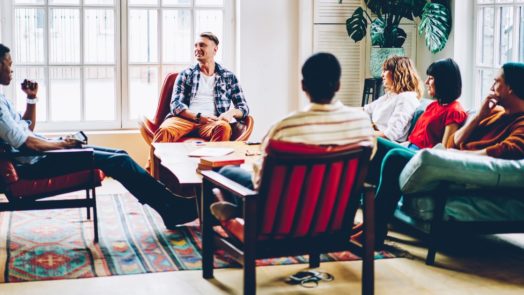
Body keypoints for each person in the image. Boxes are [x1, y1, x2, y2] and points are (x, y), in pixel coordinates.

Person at [0, 43, 196, 229]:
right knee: (119, 161)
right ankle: (170, 208)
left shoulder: (2, 99)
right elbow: (26, 143)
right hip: (34, 165)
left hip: (41, 155)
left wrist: (31, 99)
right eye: (9, 65)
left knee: (120, 154)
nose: (12, 70)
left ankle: (169, 205)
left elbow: (27, 129)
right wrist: (63, 145)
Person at [369, 62, 524, 249]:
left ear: (510, 88)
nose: (491, 87)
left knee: (394, 157)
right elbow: (457, 139)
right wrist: (480, 115)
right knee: (377, 148)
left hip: (457, 166)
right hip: (449, 158)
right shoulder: (494, 113)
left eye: (496, 82)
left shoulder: (520, 122)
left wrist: (463, 156)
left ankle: (373, 233)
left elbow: (511, 149)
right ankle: (365, 225)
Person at [210, 52, 374, 220]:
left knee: (226, 172)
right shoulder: (362, 124)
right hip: (333, 220)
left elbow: (260, 182)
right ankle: (239, 211)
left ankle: (240, 212)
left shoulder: (284, 128)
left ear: (303, 85)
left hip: (282, 220)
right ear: (338, 85)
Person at [153, 32, 249, 143]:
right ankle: (154, 161)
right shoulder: (186, 74)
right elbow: (176, 104)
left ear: (215, 49)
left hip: (213, 121)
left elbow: (243, 107)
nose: (197, 48)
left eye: (202, 45)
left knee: (224, 127)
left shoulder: (229, 77)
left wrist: (231, 113)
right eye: (196, 45)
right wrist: (198, 117)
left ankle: (211, 160)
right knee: (164, 131)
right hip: (184, 119)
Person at [408, 58, 467, 150]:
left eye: (431, 78)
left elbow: (444, 148)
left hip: (421, 155)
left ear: (443, 81)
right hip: (409, 147)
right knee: (378, 142)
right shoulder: (433, 105)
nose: (426, 82)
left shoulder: (454, 111)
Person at [363, 56, 423, 142]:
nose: (382, 75)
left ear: (398, 73)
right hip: (375, 136)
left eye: (385, 70)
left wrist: (361, 132)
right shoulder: (392, 95)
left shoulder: (406, 99)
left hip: (386, 144)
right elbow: (366, 109)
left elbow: (390, 135)